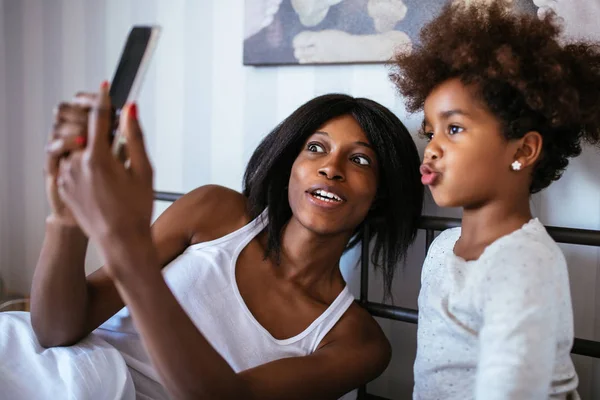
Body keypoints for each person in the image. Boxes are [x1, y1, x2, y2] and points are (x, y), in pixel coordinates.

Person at [0, 89, 424, 399]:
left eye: (360, 159)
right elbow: (53, 330)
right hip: (47, 368)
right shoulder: (215, 212)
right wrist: (67, 219)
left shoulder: (358, 343)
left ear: (383, 194)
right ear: (290, 166)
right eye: (316, 148)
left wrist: (128, 252)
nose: (330, 168)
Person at [390, 1, 600, 398]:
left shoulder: (524, 262)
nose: (431, 148)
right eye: (430, 130)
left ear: (522, 152)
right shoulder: (441, 249)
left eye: (454, 128)